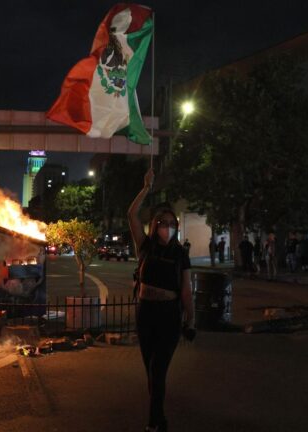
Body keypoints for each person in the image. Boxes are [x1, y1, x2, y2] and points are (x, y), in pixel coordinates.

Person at [128, 168, 195, 432]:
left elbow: (186, 289)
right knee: (151, 371)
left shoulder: (180, 254)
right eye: (162, 223)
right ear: (155, 226)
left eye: (171, 223)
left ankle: (154, 423)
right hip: (145, 314)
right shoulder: (145, 246)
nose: (167, 228)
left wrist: (191, 320)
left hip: (169, 316)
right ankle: (160, 418)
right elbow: (131, 215)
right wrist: (146, 187)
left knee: (157, 371)